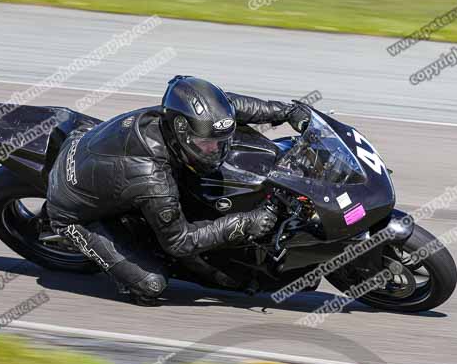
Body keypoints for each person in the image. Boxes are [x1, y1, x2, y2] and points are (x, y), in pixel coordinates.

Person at [45, 75, 311, 305]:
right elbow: (179, 242)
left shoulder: (183, 116)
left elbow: (228, 107)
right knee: (151, 286)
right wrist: (245, 223)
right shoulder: (151, 176)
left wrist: (286, 112)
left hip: (90, 146)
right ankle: (119, 251)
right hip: (73, 210)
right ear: (181, 132)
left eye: (218, 142)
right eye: (205, 143)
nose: (215, 148)